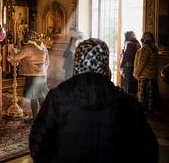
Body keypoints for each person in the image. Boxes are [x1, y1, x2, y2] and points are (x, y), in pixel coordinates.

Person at [30, 38, 158, 163]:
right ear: (105, 65)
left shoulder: (58, 97)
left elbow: (38, 142)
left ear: (77, 62)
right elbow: (147, 151)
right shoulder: (128, 103)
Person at [10, 30, 50, 120]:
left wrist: (12, 50)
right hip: (42, 75)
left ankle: (35, 118)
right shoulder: (43, 47)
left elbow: (16, 57)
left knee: (33, 97)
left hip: (31, 76)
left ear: (27, 38)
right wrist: (43, 71)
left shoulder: (28, 47)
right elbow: (47, 62)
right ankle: (44, 117)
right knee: (41, 97)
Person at [134, 32, 159, 113]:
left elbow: (141, 62)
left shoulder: (145, 48)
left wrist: (136, 73)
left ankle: (142, 111)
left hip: (144, 75)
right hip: (152, 75)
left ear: (145, 39)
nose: (141, 39)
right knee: (150, 96)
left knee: (142, 95)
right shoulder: (154, 48)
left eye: (143, 37)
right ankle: (150, 111)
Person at [120, 31, 141, 96]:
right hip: (134, 67)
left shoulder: (129, 44)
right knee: (133, 87)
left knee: (126, 87)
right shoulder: (138, 44)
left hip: (128, 67)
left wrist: (121, 65)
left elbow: (126, 56)